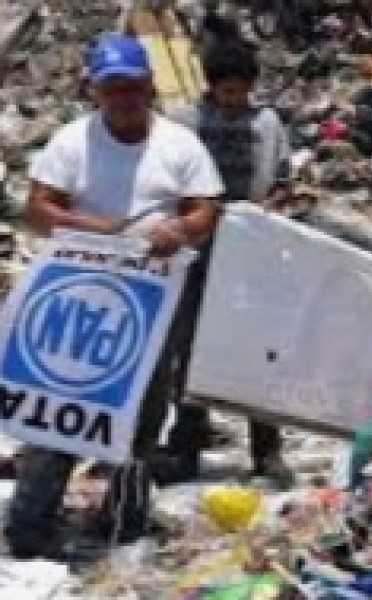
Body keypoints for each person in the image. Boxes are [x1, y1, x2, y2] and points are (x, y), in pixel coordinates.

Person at [4, 33, 224, 559]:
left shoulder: (179, 144)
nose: (125, 98)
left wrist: (181, 230)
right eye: (113, 90)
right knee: (60, 401)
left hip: (152, 297)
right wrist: (93, 228)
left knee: (141, 410)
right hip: (80, 296)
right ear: (96, 93)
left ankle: (123, 518)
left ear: (150, 86)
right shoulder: (72, 141)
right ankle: (31, 524)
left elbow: (207, 209)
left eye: (133, 87)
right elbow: (37, 209)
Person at [163, 39, 294, 485]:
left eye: (242, 92)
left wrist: (267, 208)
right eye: (226, 92)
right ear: (211, 88)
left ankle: (266, 450)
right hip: (196, 246)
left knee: (260, 346)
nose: (235, 100)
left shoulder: (269, 123)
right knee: (191, 345)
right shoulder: (184, 122)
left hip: (251, 248)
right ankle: (186, 446)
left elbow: (281, 180)